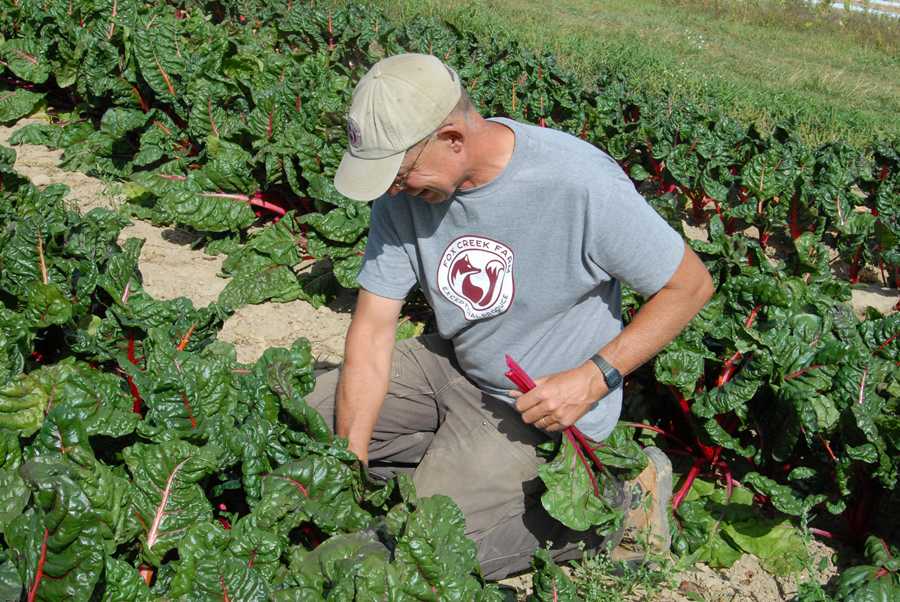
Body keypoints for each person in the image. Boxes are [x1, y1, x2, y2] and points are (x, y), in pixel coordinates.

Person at [309, 53, 714, 580]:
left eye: (400, 173)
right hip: (454, 366)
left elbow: (690, 285)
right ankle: (454, 465)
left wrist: (593, 378)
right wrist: (348, 463)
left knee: (427, 548)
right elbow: (370, 334)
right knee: (312, 432)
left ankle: (616, 504)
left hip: (540, 408)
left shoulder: (577, 182)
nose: (392, 189)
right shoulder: (403, 195)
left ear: (452, 138)